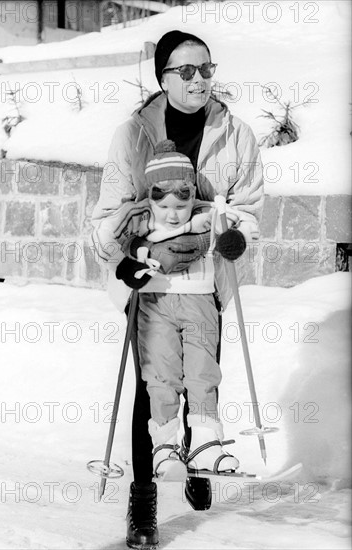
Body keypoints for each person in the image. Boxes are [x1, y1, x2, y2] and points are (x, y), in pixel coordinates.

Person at [91, 30, 263, 550]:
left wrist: (233, 241)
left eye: (206, 69)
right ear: (162, 78)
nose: (199, 80)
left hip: (206, 282)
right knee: (153, 384)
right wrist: (130, 261)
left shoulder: (237, 135)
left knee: (203, 373)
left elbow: (248, 210)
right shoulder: (132, 135)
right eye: (185, 71)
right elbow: (107, 218)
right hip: (150, 281)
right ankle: (143, 501)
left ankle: (198, 457)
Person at [95, 140, 249, 480]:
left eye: (182, 203)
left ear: (192, 195)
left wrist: (233, 243)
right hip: (154, 302)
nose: (173, 213)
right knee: (160, 375)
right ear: (150, 199)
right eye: (163, 205)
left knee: (203, 373)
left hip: (200, 300)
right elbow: (104, 240)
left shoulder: (209, 216)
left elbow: (236, 235)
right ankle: (164, 447)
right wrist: (124, 266)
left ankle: (205, 445)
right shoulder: (137, 221)